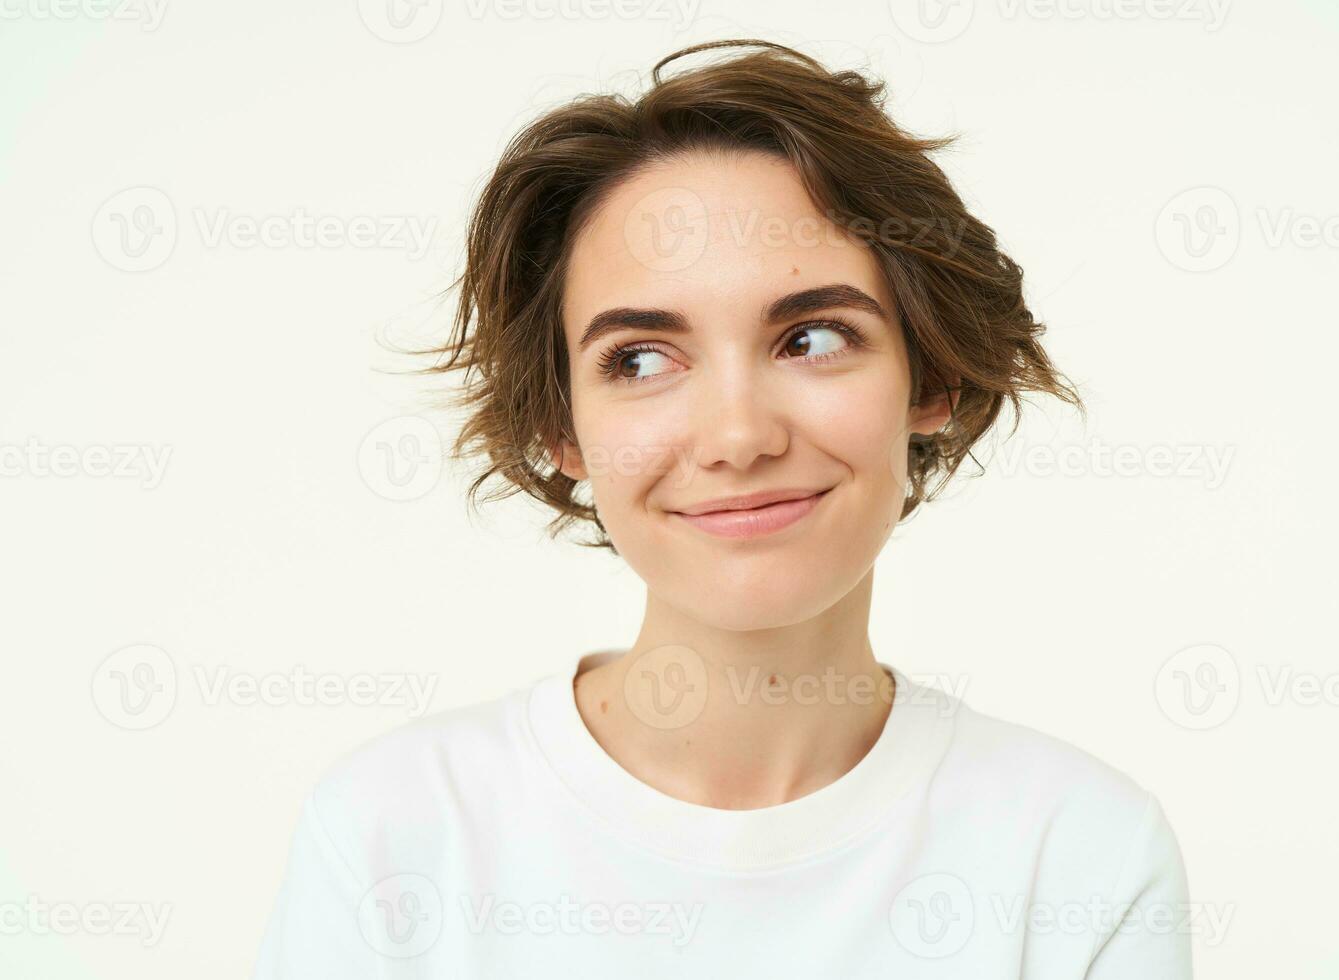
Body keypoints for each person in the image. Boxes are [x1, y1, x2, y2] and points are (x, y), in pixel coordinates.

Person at [251, 38, 1192, 978]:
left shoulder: (1081, 856)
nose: (738, 437)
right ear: (562, 426)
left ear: (932, 376)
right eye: (641, 359)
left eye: (813, 338)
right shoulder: (392, 836)